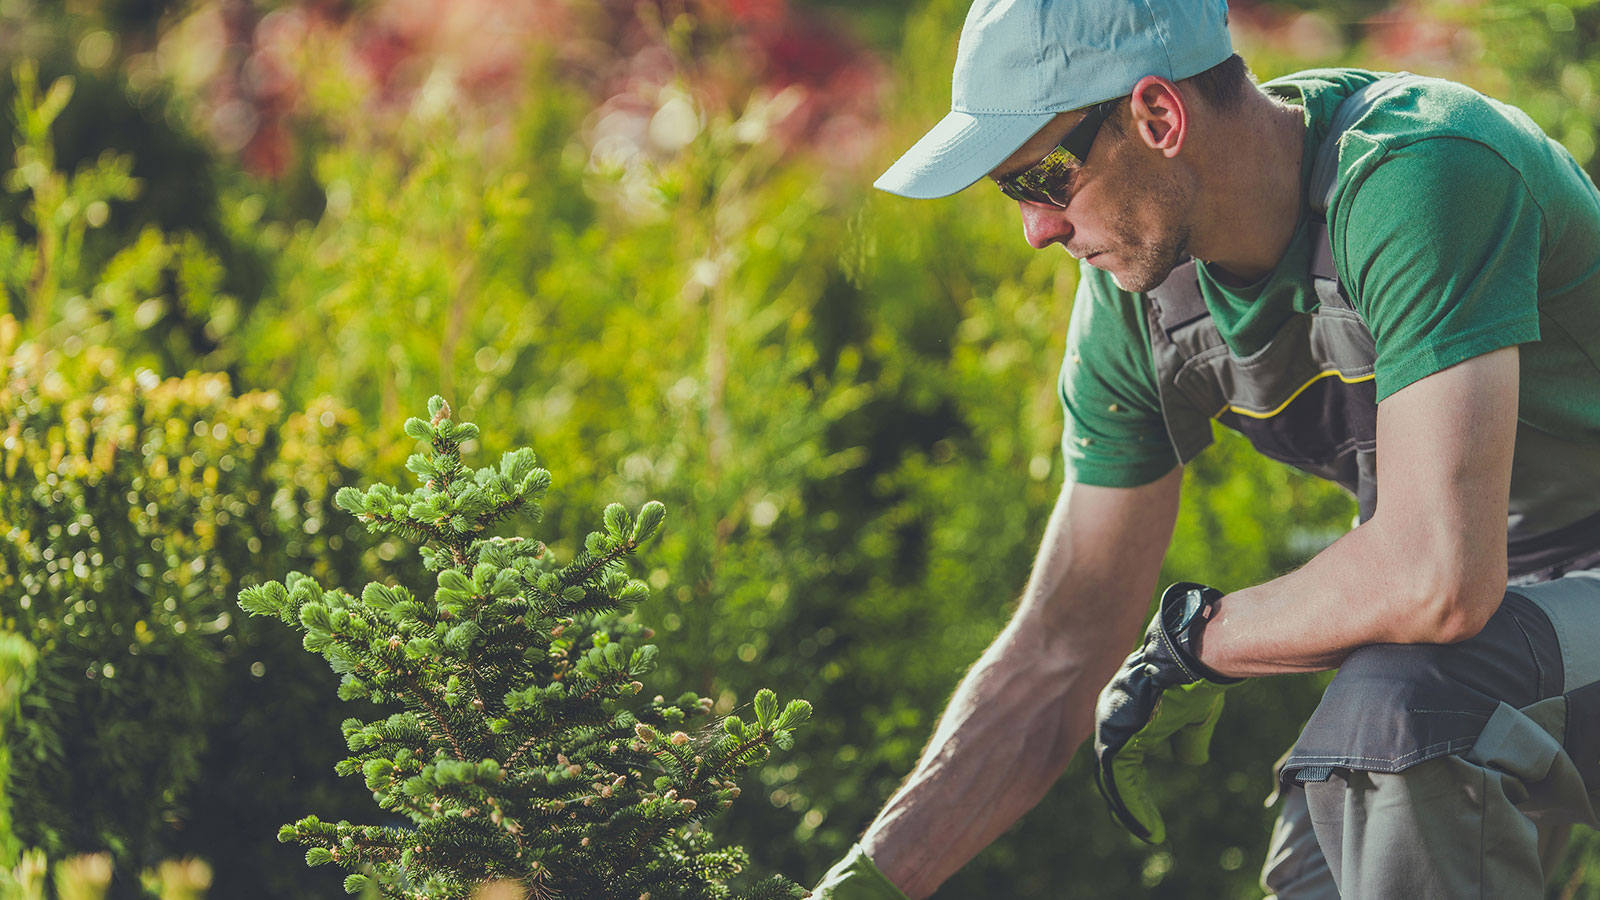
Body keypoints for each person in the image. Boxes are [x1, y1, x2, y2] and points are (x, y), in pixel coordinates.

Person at [811, 0, 1600, 897]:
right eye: (1011, 192)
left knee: (1406, 719)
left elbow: (1437, 578)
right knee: (1323, 859)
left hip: (1529, 597)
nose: (1035, 229)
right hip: (1518, 617)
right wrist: (866, 883)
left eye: (1043, 180)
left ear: (1158, 117)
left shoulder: (1419, 171)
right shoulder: (1136, 302)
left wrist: (1197, 641)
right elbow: (1063, 646)